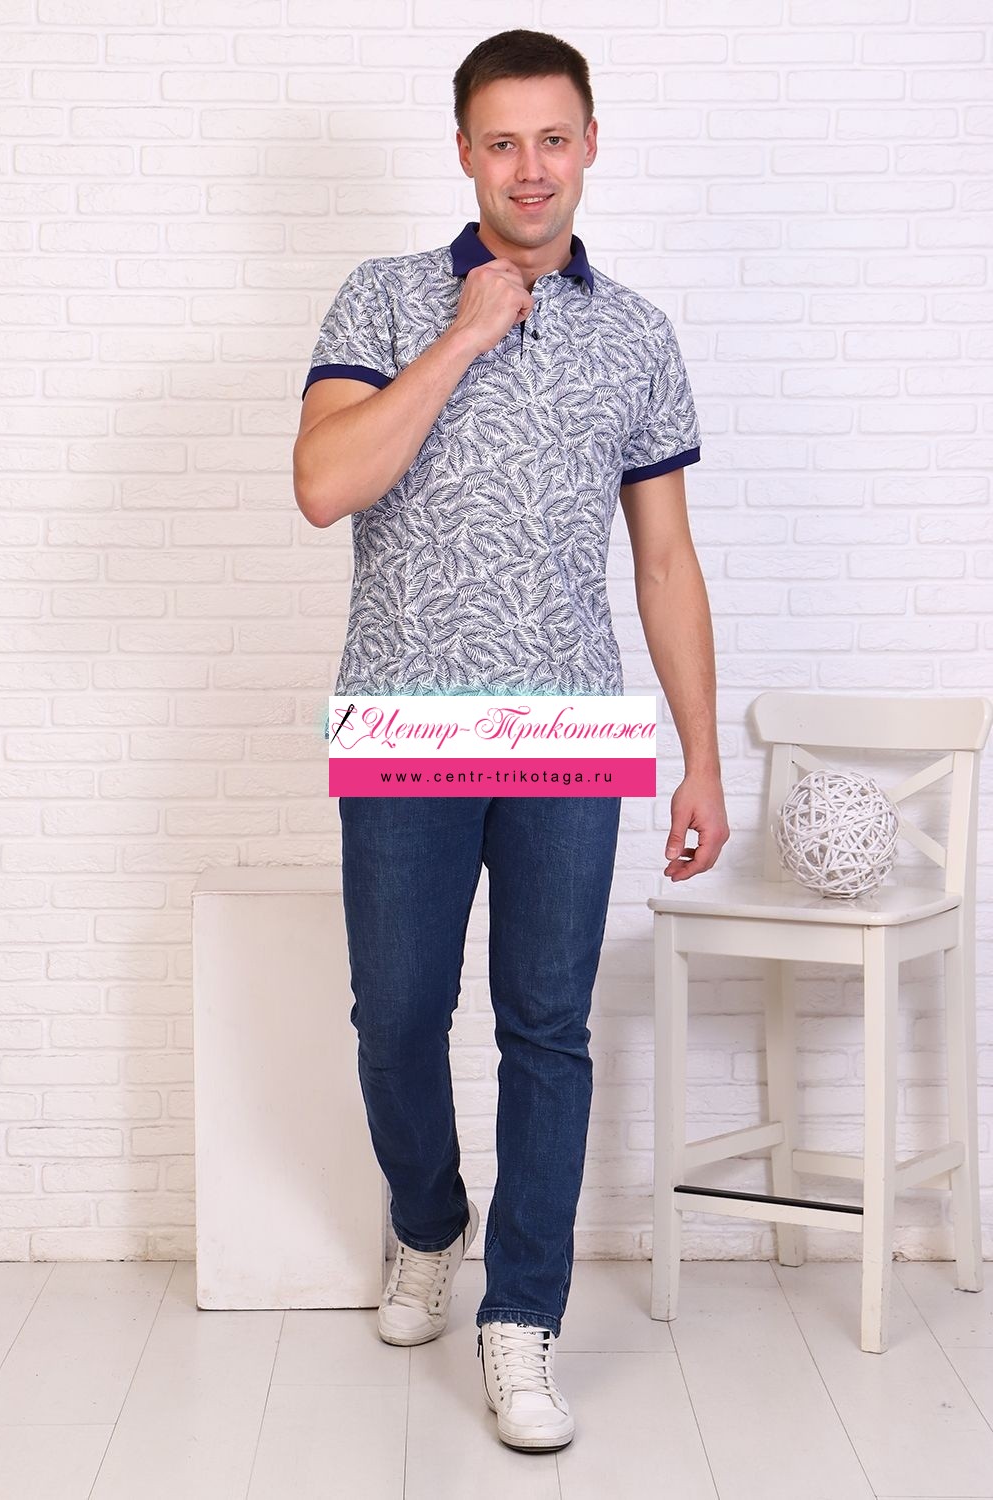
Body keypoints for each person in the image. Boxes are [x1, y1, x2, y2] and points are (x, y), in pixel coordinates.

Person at [292, 27, 730, 1453]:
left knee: (548, 1029)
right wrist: (469, 333)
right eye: (502, 142)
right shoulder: (385, 294)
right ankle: (430, 1224)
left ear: (590, 144)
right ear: (465, 153)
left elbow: (664, 562)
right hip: (404, 720)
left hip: (570, 728)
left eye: (553, 138)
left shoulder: (638, 336)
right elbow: (326, 483)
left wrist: (700, 755)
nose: (529, 168)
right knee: (396, 1018)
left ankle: (522, 1318)